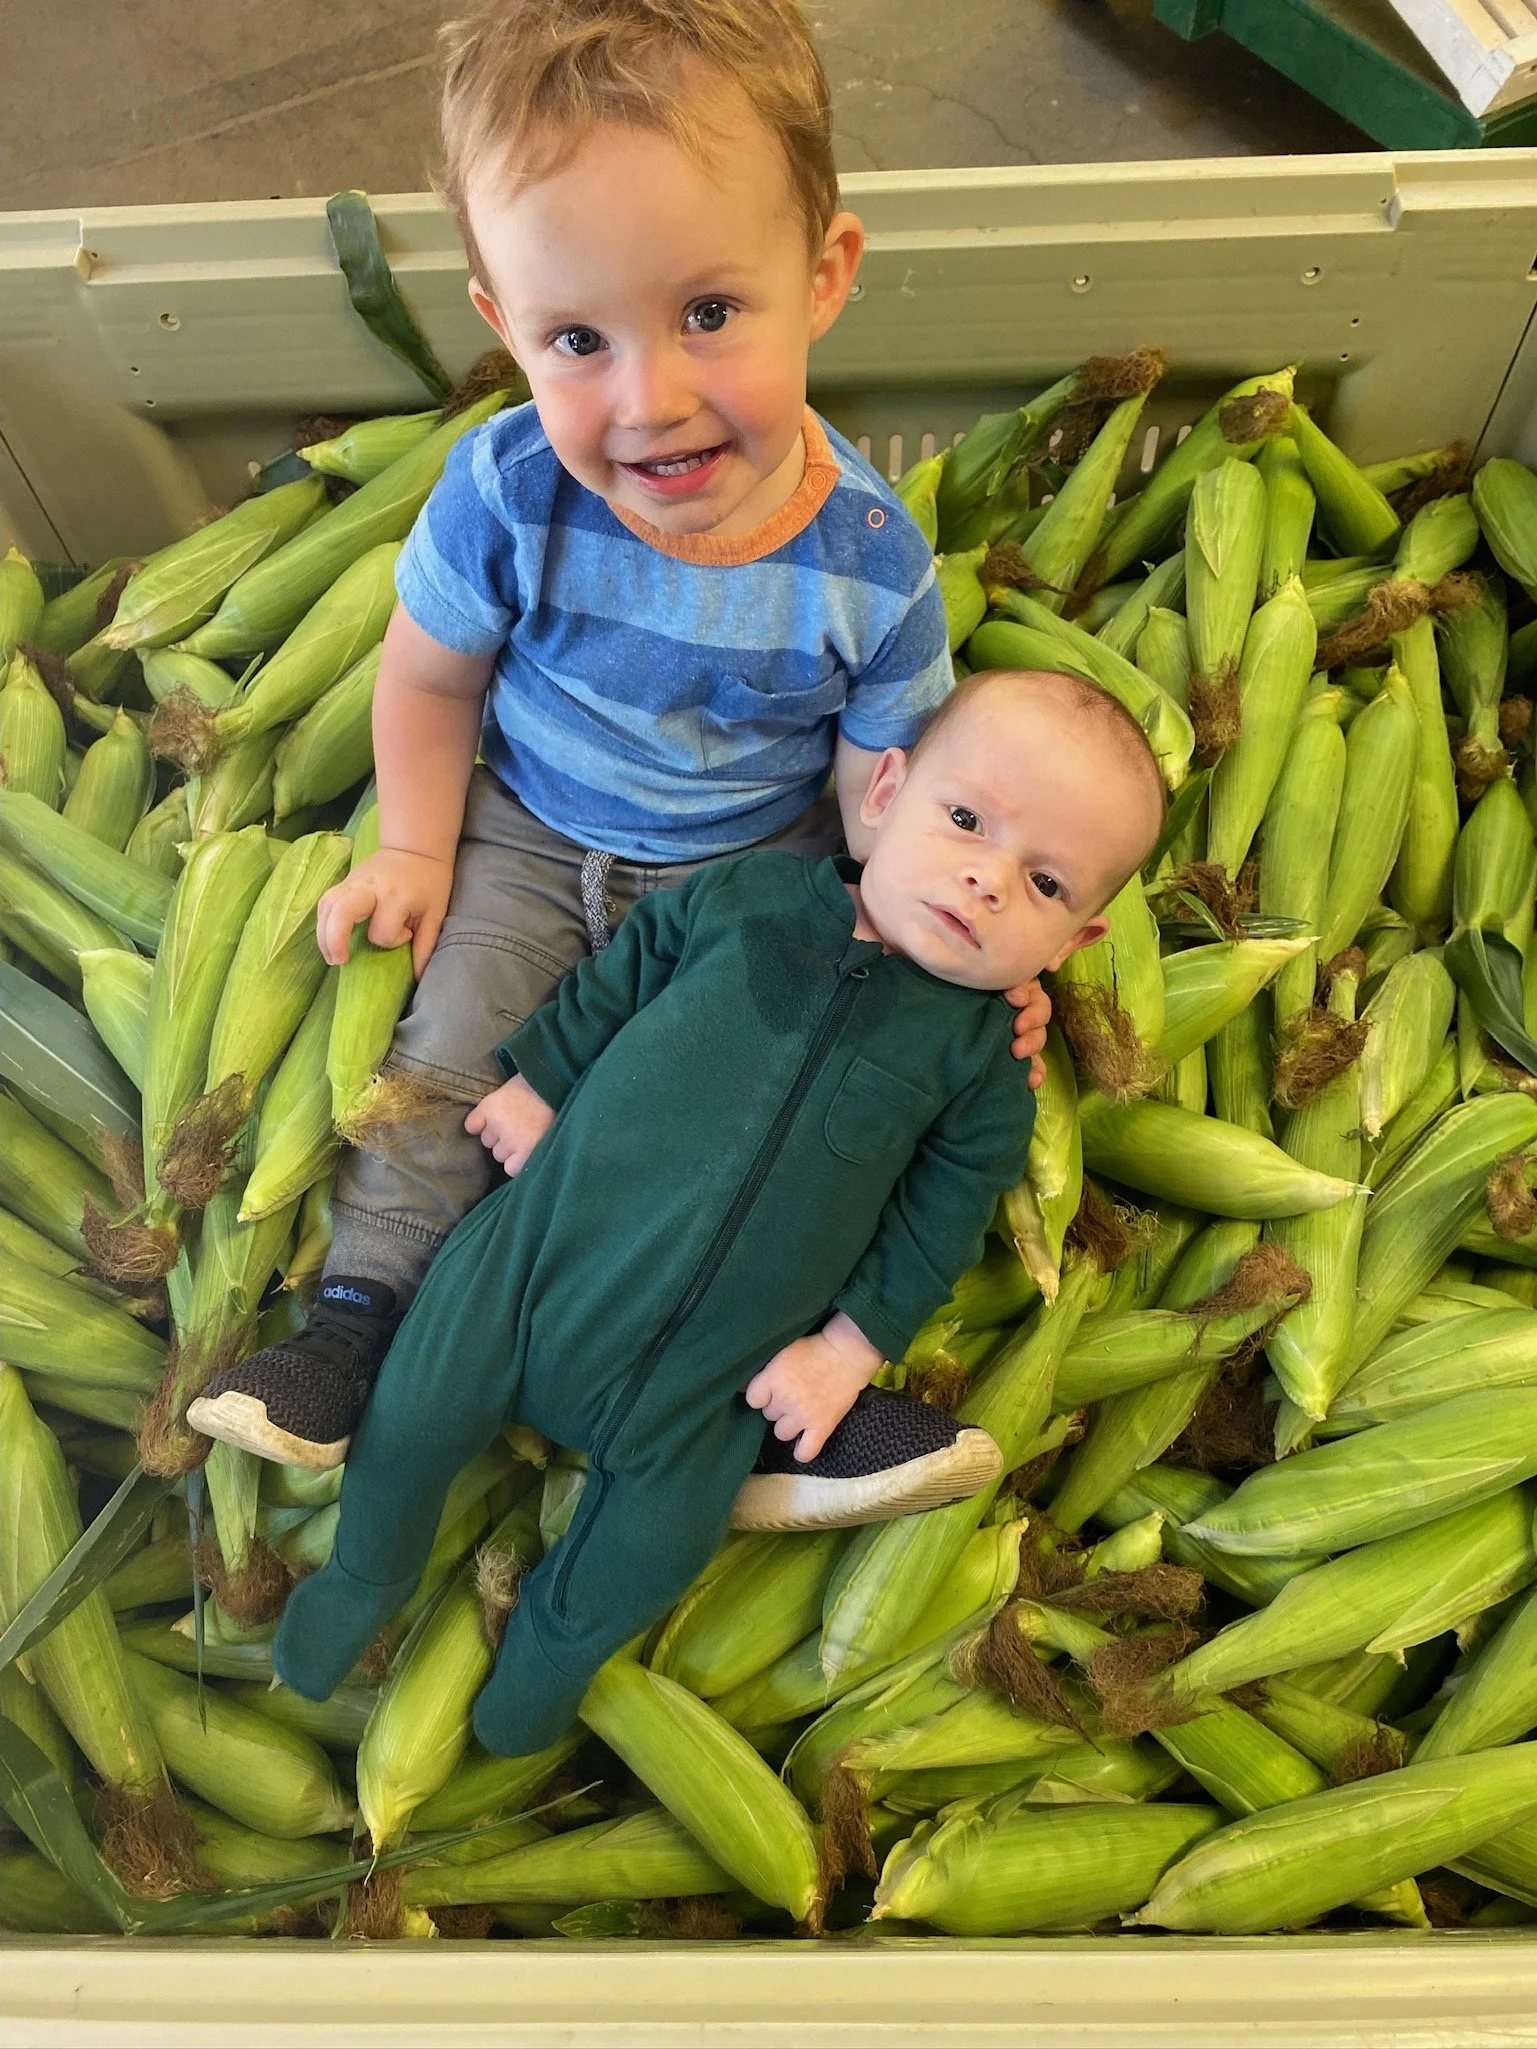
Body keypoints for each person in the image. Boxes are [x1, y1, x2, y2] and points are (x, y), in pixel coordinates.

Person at [189, 0, 1052, 1521]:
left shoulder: (867, 559)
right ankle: (353, 1330)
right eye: (575, 338)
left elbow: (878, 790)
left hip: (753, 867)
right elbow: (431, 676)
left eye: (709, 312)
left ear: (826, 275)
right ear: (501, 319)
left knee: (785, 1124)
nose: (647, 400)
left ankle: (779, 1400)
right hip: (528, 827)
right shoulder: (507, 489)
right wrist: (413, 846)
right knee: (444, 1056)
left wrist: (953, 925)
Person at [207, 668, 1167, 1758]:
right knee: (415, 1414)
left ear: (1077, 941)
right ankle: (363, 1573)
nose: (987, 881)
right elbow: (626, 970)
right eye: (965, 820)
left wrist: (846, 1353)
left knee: (659, 1542)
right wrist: (545, 1078)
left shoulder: (982, 1068)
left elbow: (935, 1225)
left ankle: (555, 1653)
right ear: (885, 792)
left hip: (709, 1374)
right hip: (530, 1269)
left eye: (1044, 886)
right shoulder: (750, 896)